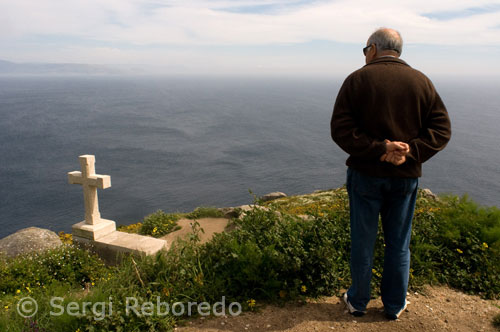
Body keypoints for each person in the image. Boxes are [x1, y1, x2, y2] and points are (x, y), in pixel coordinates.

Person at [330, 27, 451, 320]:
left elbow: (341, 130)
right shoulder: (422, 81)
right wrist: (409, 151)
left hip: (365, 175)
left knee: (363, 240)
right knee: (399, 243)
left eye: (364, 51)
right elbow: (442, 130)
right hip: (405, 177)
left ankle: (358, 301)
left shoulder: (357, 79)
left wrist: (379, 148)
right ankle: (394, 306)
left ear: (372, 48)